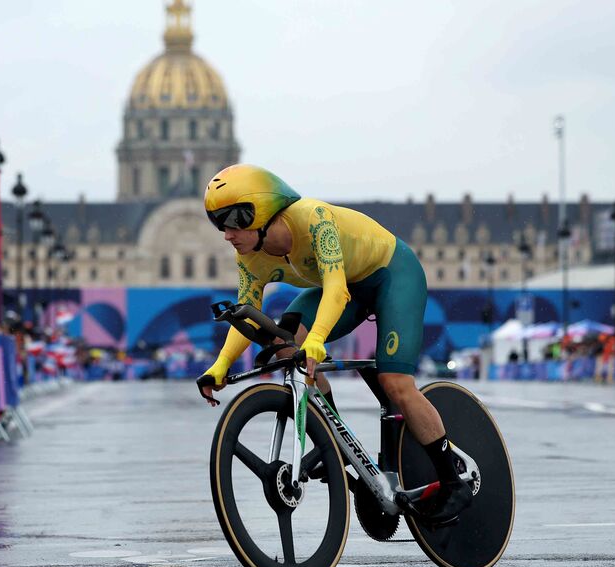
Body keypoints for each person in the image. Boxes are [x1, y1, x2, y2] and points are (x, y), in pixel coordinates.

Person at [195, 163, 470, 524]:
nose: (227, 234)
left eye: (232, 221)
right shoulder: (249, 256)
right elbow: (248, 314)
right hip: (348, 287)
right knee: (284, 342)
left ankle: (453, 479)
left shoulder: (314, 219)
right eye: (220, 224)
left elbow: (336, 290)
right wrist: (221, 366)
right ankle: (336, 443)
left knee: (394, 382)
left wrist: (318, 342)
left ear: (259, 211)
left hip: (391, 275)